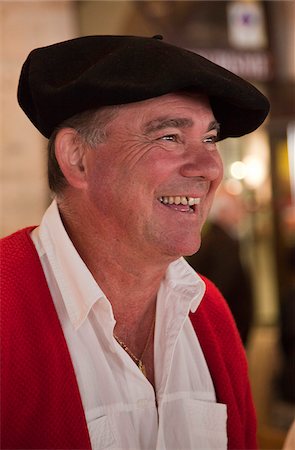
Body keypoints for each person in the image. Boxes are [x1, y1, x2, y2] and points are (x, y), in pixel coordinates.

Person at [0, 35, 269, 450]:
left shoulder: (209, 312)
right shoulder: (6, 305)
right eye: (169, 137)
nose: (209, 167)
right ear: (77, 158)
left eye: (210, 139)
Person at [186, 188, 254, 345]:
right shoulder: (223, 244)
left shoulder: (216, 239)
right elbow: (222, 286)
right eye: (236, 209)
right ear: (223, 213)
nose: (240, 213)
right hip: (228, 323)